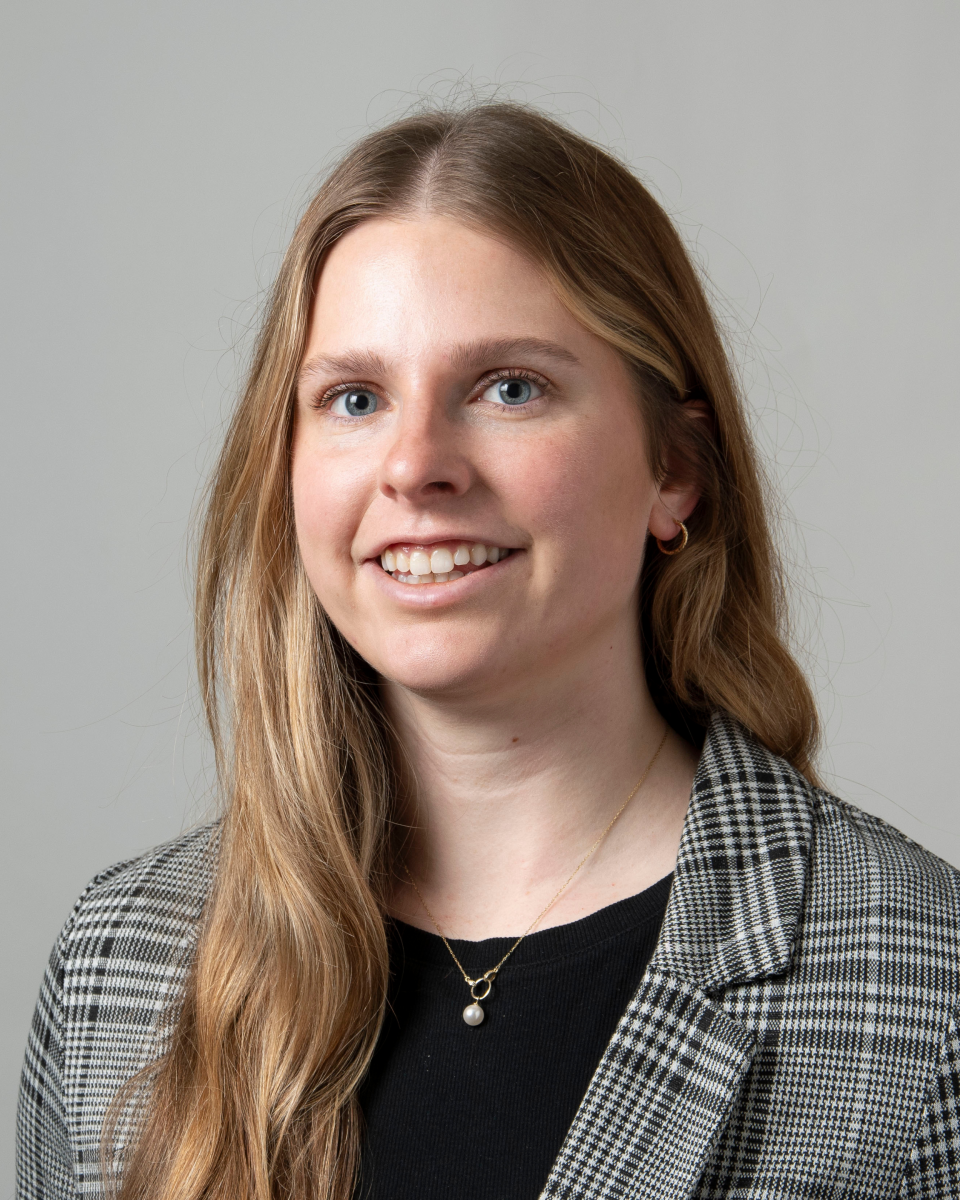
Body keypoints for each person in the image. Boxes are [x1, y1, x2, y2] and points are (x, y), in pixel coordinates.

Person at [16, 102, 960, 1200]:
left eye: (510, 387)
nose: (416, 467)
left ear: (676, 471)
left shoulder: (920, 983)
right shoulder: (120, 973)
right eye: (354, 398)